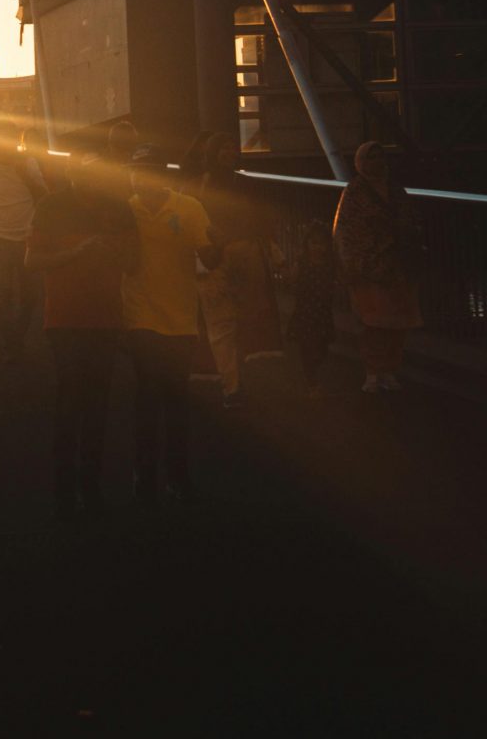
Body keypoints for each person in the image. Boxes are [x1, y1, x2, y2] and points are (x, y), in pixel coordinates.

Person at [27, 147, 137, 517]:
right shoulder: (51, 206)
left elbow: (134, 263)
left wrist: (113, 253)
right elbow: (33, 261)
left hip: (105, 318)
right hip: (64, 319)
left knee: (97, 405)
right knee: (71, 401)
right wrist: (79, 251)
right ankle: (65, 487)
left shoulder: (118, 208)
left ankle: (89, 486)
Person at [122, 150, 218, 503]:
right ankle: (148, 474)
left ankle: (173, 475)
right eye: (133, 172)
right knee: (148, 398)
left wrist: (217, 244)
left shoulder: (189, 208)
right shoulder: (126, 210)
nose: (136, 179)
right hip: (140, 317)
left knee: (175, 402)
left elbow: (209, 256)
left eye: (142, 172)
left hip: (180, 320)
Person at [192, 133, 284, 401]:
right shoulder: (242, 185)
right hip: (224, 258)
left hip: (228, 258)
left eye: (232, 147)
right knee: (226, 323)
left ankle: (232, 381)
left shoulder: (198, 186)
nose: (230, 152)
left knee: (227, 323)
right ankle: (232, 383)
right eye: (224, 147)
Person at [332, 143, 421, 393]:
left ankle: (388, 369)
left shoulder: (394, 190)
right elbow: (347, 233)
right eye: (371, 157)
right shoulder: (355, 193)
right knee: (374, 322)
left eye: (380, 156)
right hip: (370, 267)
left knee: (395, 322)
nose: (377, 161)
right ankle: (375, 370)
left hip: (394, 265)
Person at [0, 134, 45, 365]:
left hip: (27, 239)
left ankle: (17, 338)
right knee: (4, 296)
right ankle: (12, 343)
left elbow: (44, 196)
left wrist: (27, 175)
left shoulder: (30, 164)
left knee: (30, 296)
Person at [288, 219, 336, 391]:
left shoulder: (329, 264)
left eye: (321, 243)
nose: (317, 247)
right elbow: (293, 283)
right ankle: (311, 379)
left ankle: (313, 373)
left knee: (322, 347)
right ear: (307, 243)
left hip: (322, 312)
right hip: (305, 312)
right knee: (307, 347)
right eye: (314, 243)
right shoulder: (301, 263)